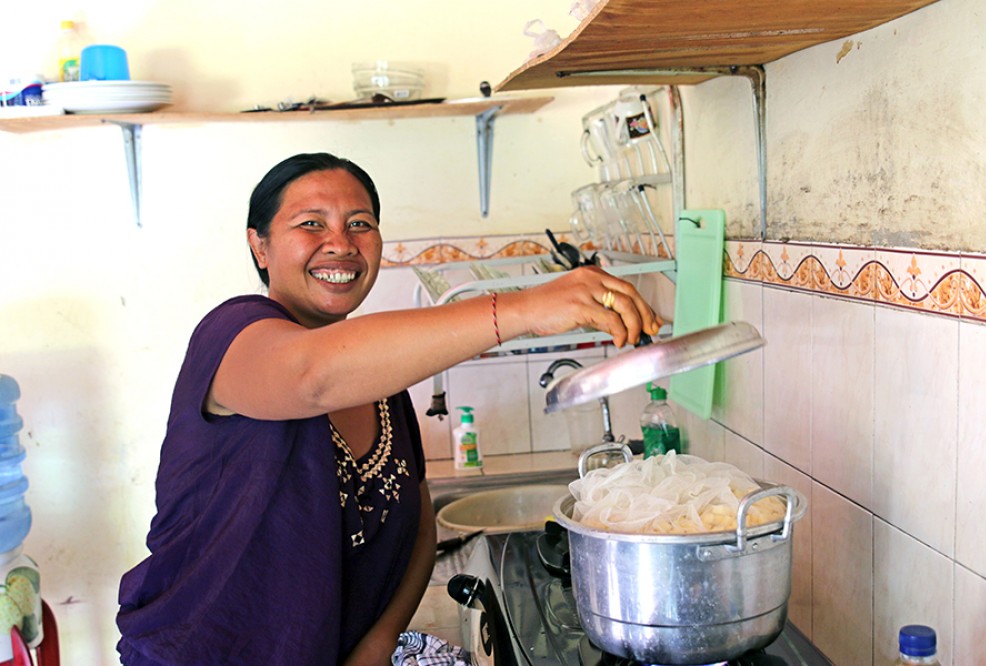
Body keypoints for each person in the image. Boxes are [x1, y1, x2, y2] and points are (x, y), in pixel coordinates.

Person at [116, 152, 663, 665]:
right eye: (310, 224)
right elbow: (309, 376)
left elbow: (419, 521)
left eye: (360, 223)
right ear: (260, 247)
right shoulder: (231, 333)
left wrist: (377, 646)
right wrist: (525, 308)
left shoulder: (380, 380)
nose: (340, 243)